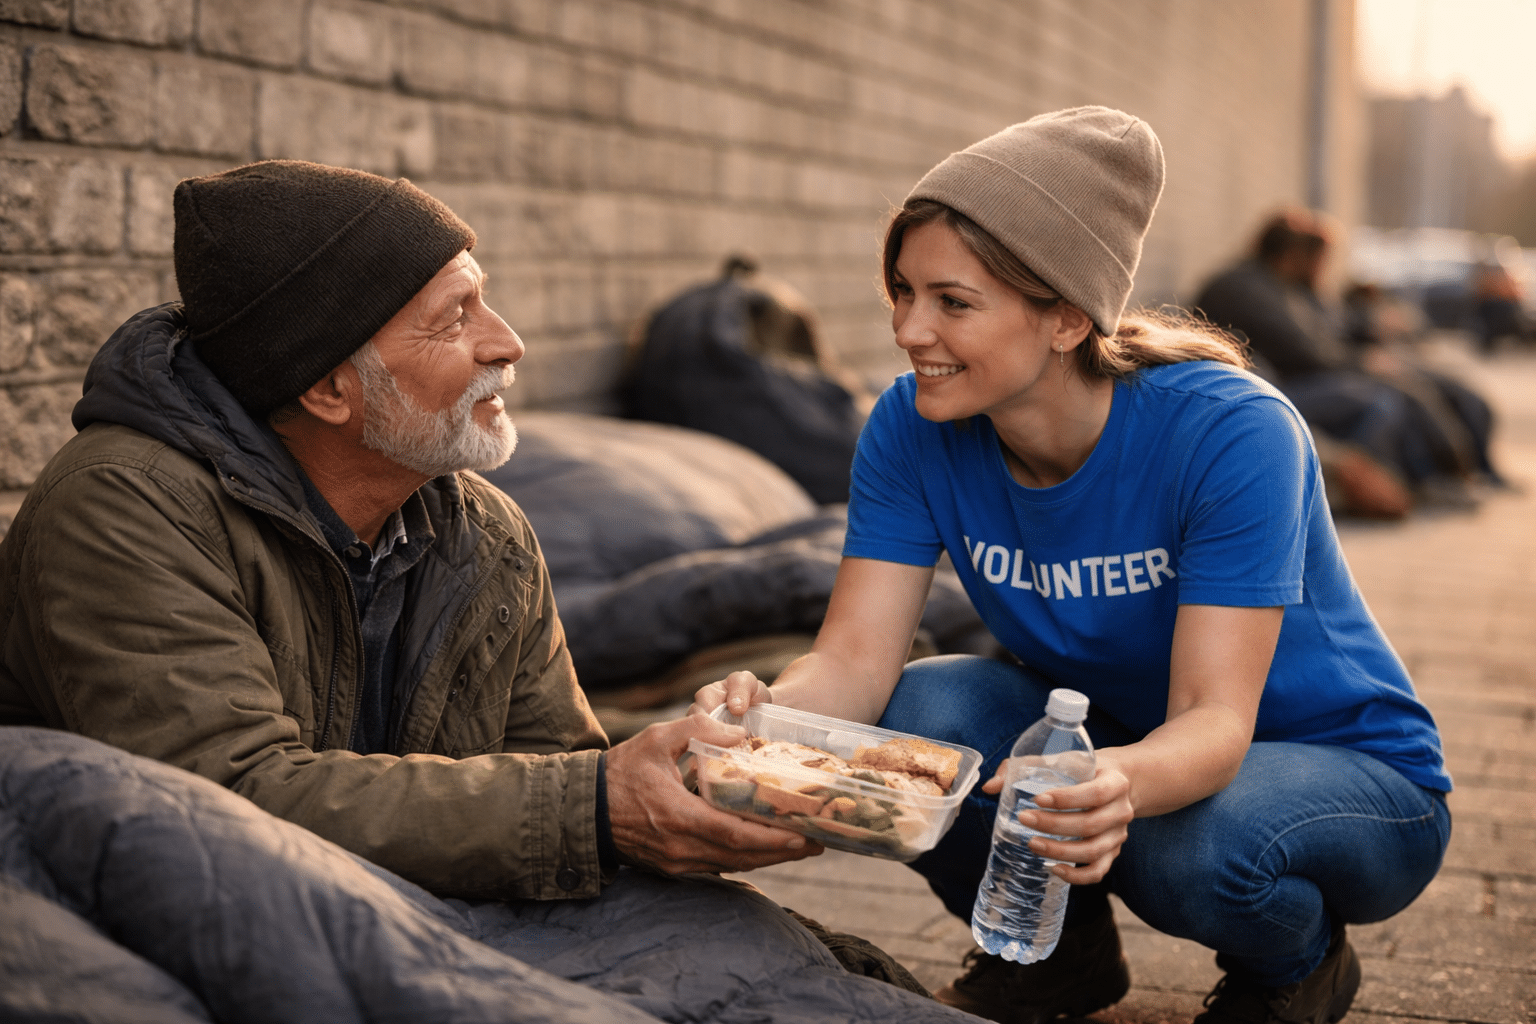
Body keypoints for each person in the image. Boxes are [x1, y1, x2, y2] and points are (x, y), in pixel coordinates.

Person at [693, 108, 1452, 1024]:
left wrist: (1117, 786)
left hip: (1348, 775)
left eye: (952, 302)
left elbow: (1212, 717)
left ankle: (1295, 966)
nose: (907, 329)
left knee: (1183, 851)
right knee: (923, 720)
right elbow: (854, 661)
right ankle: (1056, 959)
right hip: (1119, 739)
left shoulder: (1231, 433)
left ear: (1062, 318)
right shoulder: (912, 424)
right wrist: (759, 726)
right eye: (901, 291)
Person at [0, 160, 825, 900]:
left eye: (484, 297)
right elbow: (222, 800)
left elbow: (559, 773)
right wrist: (595, 806)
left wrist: (679, 789)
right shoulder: (125, 509)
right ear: (328, 389)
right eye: (454, 316)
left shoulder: (481, 529)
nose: (507, 342)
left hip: (418, 903)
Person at [1195, 209, 1501, 506]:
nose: (1321, 268)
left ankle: (1445, 476)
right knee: (1384, 399)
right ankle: (1410, 483)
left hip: (1286, 379)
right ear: (1292, 255)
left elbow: (1324, 332)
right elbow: (1302, 350)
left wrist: (1368, 340)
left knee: (1407, 389)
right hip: (1269, 390)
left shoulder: (1276, 285)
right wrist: (1362, 362)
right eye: (1315, 259)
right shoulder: (1246, 289)